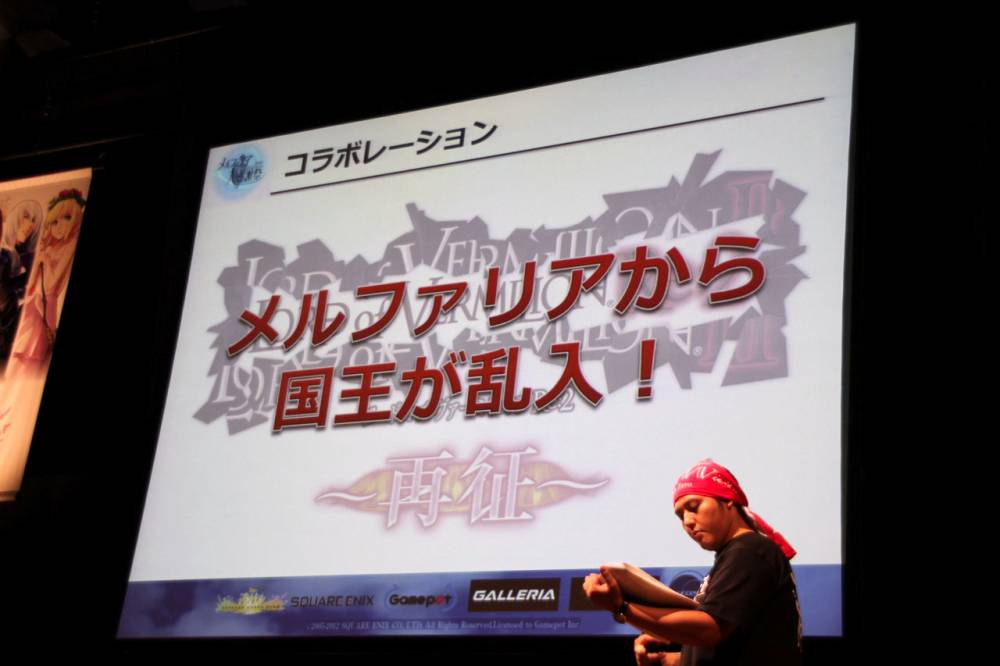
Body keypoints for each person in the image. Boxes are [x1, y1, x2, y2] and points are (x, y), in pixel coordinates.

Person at [583, 459, 802, 665]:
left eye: (694, 506)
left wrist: (621, 607)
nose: (687, 521)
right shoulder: (740, 553)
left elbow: (709, 631)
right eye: (681, 516)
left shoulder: (749, 551)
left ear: (728, 500)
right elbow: (731, 646)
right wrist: (668, 660)